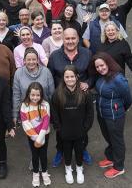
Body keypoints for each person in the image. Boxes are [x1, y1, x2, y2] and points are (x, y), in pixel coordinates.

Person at [47, 28, 93, 167]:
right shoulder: (55, 56)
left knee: (82, 126)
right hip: (61, 98)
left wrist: (88, 84)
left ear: (78, 39)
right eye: (67, 38)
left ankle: (83, 149)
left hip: (81, 98)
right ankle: (60, 150)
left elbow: (93, 75)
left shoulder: (87, 54)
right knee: (60, 126)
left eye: (73, 38)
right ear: (63, 39)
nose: (70, 41)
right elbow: (50, 75)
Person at [92, 52, 132, 178]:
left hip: (114, 116)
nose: (100, 69)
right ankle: (111, 157)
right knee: (108, 137)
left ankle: (119, 167)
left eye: (102, 65)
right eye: (97, 67)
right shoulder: (101, 77)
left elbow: (128, 98)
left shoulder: (118, 79)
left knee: (117, 140)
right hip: (102, 114)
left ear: (108, 63)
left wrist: (120, 109)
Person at [51, 65, 94, 184]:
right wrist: (58, 128)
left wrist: (86, 127)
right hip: (64, 131)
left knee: (79, 149)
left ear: (77, 77)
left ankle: (80, 168)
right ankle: (68, 168)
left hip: (80, 130)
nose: (70, 79)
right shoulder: (57, 94)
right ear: (63, 78)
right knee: (67, 150)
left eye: (72, 76)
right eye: (67, 77)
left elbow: (90, 112)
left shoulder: (85, 93)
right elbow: (54, 113)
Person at [20, 82, 51, 187]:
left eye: (38, 95)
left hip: (44, 135)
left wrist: (40, 138)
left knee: (43, 154)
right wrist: (35, 138)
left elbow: (46, 121)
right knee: (34, 155)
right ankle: (36, 173)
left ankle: (45, 172)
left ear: (41, 95)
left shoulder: (45, 105)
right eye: (33, 95)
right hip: (32, 136)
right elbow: (25, 123)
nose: (35, 97)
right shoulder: (24, 106)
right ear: (28, 94)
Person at [12, 47, 55, 123]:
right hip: (27, 112)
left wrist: (54, 113)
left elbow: (52, 93)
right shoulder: (18, 73)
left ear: (38, 60)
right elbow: (16, 95)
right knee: (30, 133)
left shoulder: (46, 72)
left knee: (45, 132)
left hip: (44, 110)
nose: (31, 62)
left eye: (34, 59)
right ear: (24, 61)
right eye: (28, 59)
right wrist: (15, 114)